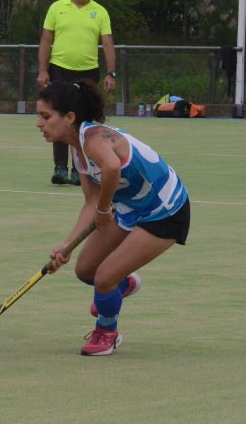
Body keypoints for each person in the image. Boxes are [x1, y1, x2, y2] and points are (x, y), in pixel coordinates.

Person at [36, 79, 190, 356]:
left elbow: (110, 167)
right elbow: (91, 201)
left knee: (104, 278)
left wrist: (105, 209)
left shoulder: (92, 138)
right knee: (86, 270)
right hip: (132, 208)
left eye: (45, 116)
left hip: (165, 209)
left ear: (69, 117)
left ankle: (107, 332)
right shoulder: (77, 149)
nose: (39, 123)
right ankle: (123, 284)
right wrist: (67, 245)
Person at [37, 0, 116, 186]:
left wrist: (111, 72)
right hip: (59, 70)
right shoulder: (57, 8)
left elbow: (107, 43)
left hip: (88, 73)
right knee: (58, 117)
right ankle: (60, 168)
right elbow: (46, 39)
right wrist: (43, 70)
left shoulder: (100, 12)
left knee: (82, 121)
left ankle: (80, 171)